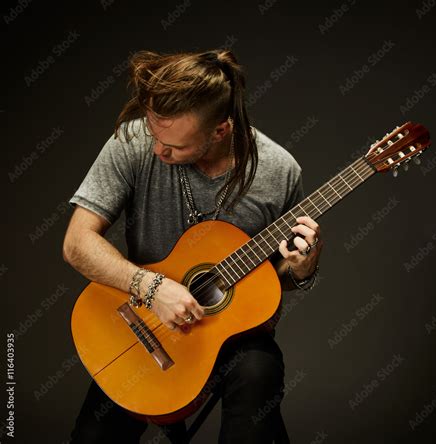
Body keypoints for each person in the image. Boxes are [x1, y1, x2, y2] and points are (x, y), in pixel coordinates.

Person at [63, 48, 323, 443]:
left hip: (230, 340)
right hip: (141, 326)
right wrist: (152, 289)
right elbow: (77, 243)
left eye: (174, 147)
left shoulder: (279, 171)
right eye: (154, 136)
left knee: (260, 372)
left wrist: (301, 269)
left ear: (220, 130)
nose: (157, 150)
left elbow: (269, 280)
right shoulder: (134, 141)